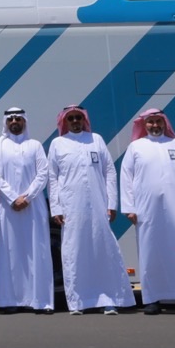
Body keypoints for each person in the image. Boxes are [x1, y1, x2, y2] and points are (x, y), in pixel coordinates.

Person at [121, 108, 175, 315]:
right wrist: (129, 207)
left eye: (158, 121)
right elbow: (126, 177)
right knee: (151, 251)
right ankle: (153, 299)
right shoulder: (136, 147)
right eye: (151, 122)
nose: (155, 125)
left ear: (164, 123)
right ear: (144, 125)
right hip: (147, 210)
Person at [46, 107, 130, 314]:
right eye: (71, 118)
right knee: (75, 253)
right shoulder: (58, 143)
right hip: (71, 208)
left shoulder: (96, 140)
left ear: (84, 120)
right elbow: (52, 178)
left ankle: (108, 299)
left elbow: (109, 171)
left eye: (78, 118)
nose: (75, 121)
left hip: (99, 206)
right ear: (65, 122)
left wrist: (111, 204)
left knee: (103, 251)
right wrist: (56, 208)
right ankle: (78, 302)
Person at [0, 107, 53, 312]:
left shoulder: (35, 145)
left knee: (37, 251)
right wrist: (13, 198)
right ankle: (10, 301)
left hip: (33, 207)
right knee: (10, 253)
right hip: (7, 208)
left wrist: (27, 197)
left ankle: (40, 301)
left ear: (25, 121)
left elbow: (43, 173)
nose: (14, 122)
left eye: (18, 118)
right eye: (11, 119)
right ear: (6, 122)